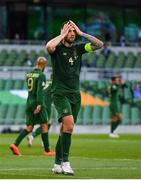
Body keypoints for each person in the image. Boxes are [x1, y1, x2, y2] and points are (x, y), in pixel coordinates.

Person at [46, 20, 103, 175]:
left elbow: (99, 45)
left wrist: (82, 33)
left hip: (75, 94)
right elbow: (48, 47)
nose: (71, 34)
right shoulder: (57, 49)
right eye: (69, 31)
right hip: (60, 93)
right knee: (69, 126)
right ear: (63, 32)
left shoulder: (79, 48)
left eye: (73, 32)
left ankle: (57, 164)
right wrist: (61, 34)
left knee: (65, 129)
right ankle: (66, 163)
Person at [10, 57, 54, 156]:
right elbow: (39, 91)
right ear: (44, 65)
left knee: (29, 127)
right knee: (44, 125)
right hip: (37, 102)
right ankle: (47, 150)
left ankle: (15, 145)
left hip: (28, 102)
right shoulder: (41, 75)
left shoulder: (29, 74)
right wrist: (39, 104)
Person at [27, 74, 54, 148]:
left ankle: (43, 142)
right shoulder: (54, 84)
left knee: (45, 124)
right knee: (47, 123)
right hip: (46, 106)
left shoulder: (45, 82)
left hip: (38, 103)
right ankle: (32, 136)